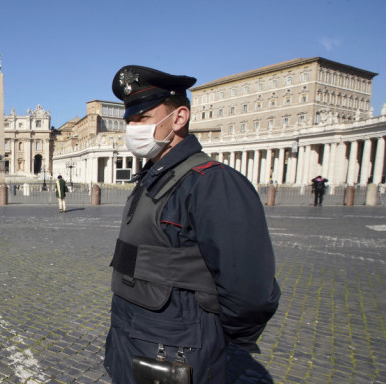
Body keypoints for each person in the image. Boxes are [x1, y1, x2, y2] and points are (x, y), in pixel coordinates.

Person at [103, 66, 281, 384]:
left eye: (142, 117)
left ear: (179, 117)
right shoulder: (150, 180)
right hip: (131, 342)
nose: (133, 128)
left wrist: (211, 338)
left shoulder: (213, 183)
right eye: (129, 120)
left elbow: (251, 294)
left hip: (179, 352)